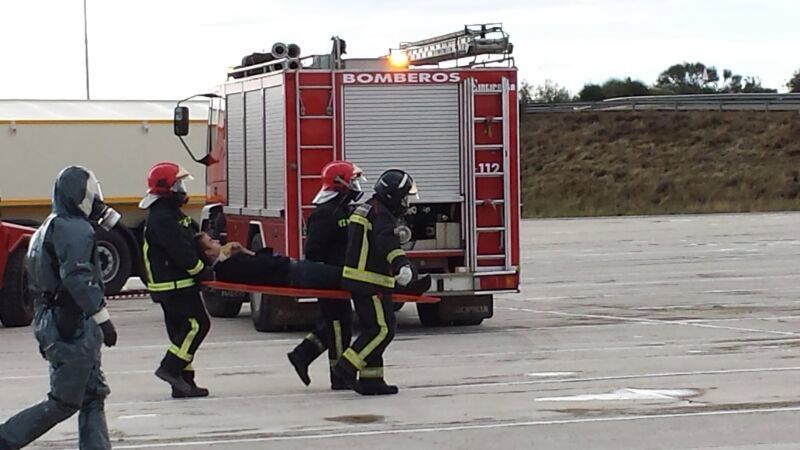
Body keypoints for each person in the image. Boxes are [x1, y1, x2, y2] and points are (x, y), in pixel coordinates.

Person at [0, 166, 119, 450]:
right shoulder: (73, 228)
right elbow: (77, 277)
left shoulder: (50, 226)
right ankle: (6, 438)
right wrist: (102, 318)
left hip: (58, 321)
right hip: (70, 325)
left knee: (92, 394)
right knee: (65, 400)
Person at [332, 169, 426, 396]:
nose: (405, 202)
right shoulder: (382, 214)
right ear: (393, 196)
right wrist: (401, 265)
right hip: (370, 281)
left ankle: (371, 380)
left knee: (371, 328)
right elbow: (387, 243)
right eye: (404, 197)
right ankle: (346, 366)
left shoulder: (367, 207)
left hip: (359, 278)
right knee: (382, 330)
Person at [287, 161, 366, 390]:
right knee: (340, 326)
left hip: (341, 276)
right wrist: (328, 273)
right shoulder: (324, 213)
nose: (356, 186)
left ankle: (302, 354)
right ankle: (339, 377)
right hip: (329, 277)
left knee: (335, 323)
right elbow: (314, 251)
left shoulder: (342, 210)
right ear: (340, 183)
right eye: (352, 181)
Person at [140, 162, 211, 399]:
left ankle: (183, 383)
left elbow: (189, 238)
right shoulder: (162, 218)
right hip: (174, 284)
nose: (182, 190)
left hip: (175, 283)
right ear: (166, 188)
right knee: (198, 325)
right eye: (178, 185)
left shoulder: (170, 214)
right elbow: (179, 250)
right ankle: (169, 368)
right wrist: (201, 270)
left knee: (181, 332)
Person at [193, 232, 341, 290]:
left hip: (293, 270)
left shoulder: (229, 262)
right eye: (211, 241)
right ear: (208, 252)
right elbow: (263, 266)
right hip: (292, 273)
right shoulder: (228, 267)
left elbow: (258, 262)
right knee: (343, 277)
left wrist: (244, 251)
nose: (217, 241)